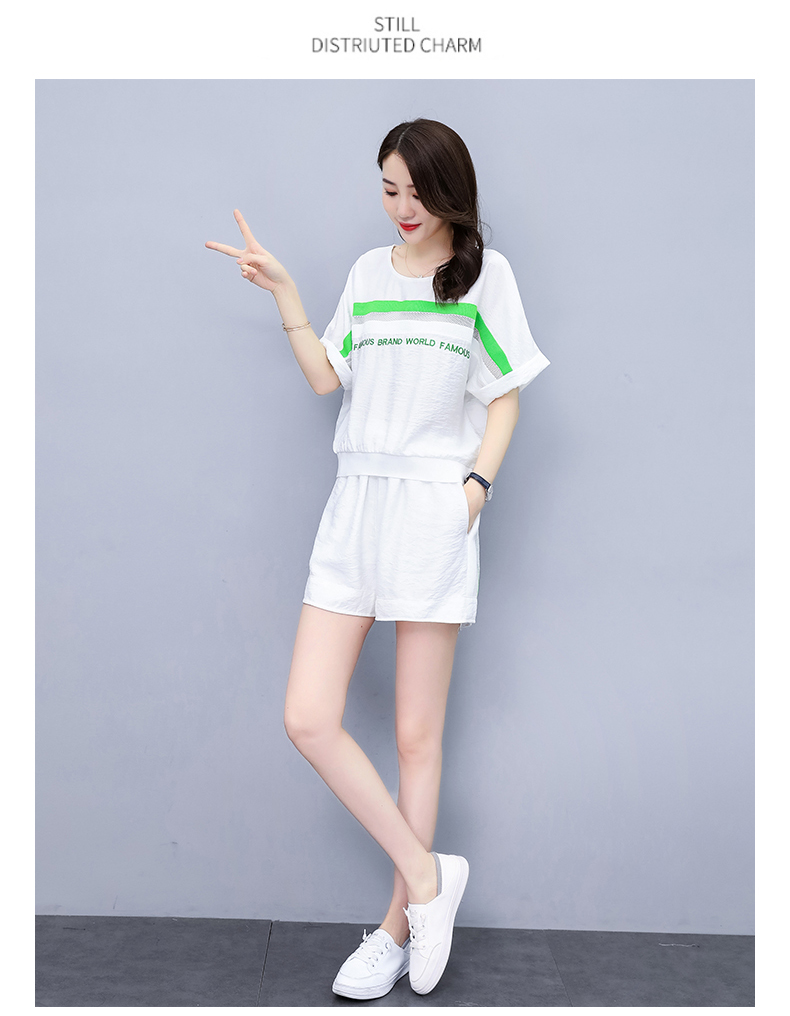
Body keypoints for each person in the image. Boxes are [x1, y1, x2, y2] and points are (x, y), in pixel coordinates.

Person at [205, 118, 549, 999]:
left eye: (417, 191)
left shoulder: (485, 278)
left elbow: (506, 397)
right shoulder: (366, 273)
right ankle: (430, 877)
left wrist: (472, 493)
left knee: (415, 737)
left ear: (451, 192)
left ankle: (397, 930)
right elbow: (329, 377)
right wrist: (285, 291)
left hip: (434, 507)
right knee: (309, 715)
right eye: (389, 189)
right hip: (356, 502)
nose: (402, 206)